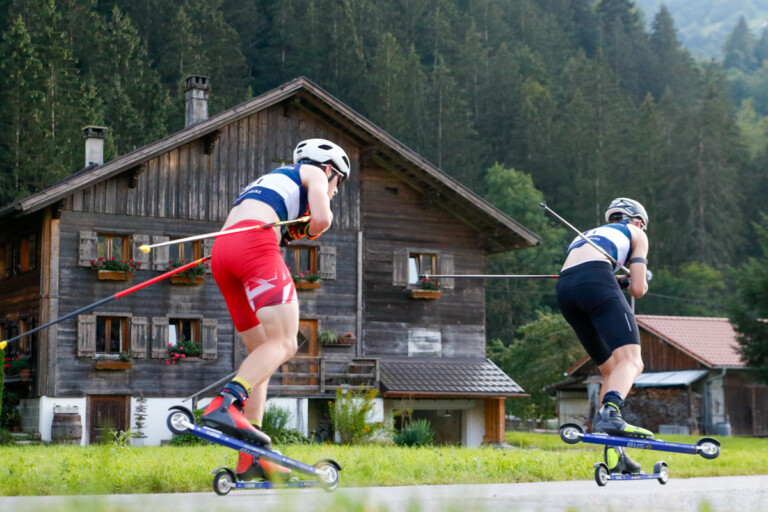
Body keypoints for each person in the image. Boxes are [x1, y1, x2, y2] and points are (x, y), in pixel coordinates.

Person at [201, 139, 350, 481]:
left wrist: (289, 229)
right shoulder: (313, 171)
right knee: (285, 343)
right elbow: (322, 221)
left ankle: (251, 455)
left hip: (223, 252)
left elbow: (246, 225)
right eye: (338, 182)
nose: (335, 190)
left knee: (261, 353)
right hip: (254, 245)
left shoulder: (269, 180)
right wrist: (305, 228)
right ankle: (225, 404)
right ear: (329, 170)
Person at [555, 198, 651, 475]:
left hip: (566, 290)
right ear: (637, 221)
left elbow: (587, 274)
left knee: (610, 369)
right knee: (632, 362)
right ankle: (610, 413)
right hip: (596, 281)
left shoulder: (586, 235)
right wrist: (641, 278)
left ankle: (616, 454)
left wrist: (619, 281)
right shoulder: (637, 233)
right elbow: (637, 289)